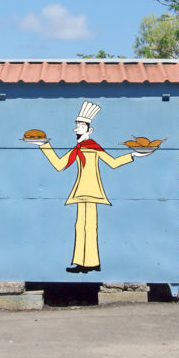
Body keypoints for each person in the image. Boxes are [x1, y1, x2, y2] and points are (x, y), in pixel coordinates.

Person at [32, 100, 150, 273]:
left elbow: (113, 163)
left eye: (81, 126)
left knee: (90, 226)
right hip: (80, 191)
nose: (77, 129)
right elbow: (58, 164)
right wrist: (44, 145)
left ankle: (93, 262)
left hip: (93, 191)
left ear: (90, 130)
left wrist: (133, 154)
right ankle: (81, 263)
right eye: (77, 125)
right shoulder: (76, 149)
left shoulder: (94, 148)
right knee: (80, 226)